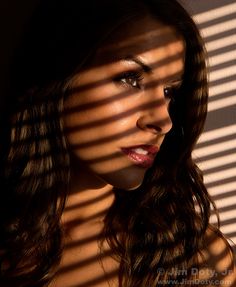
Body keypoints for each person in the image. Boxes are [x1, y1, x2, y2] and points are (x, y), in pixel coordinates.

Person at [0, 0, 235, 286]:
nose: (163, 120)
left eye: (169, 91)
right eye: (130, 78)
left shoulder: (196, 260)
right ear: (60, 73)